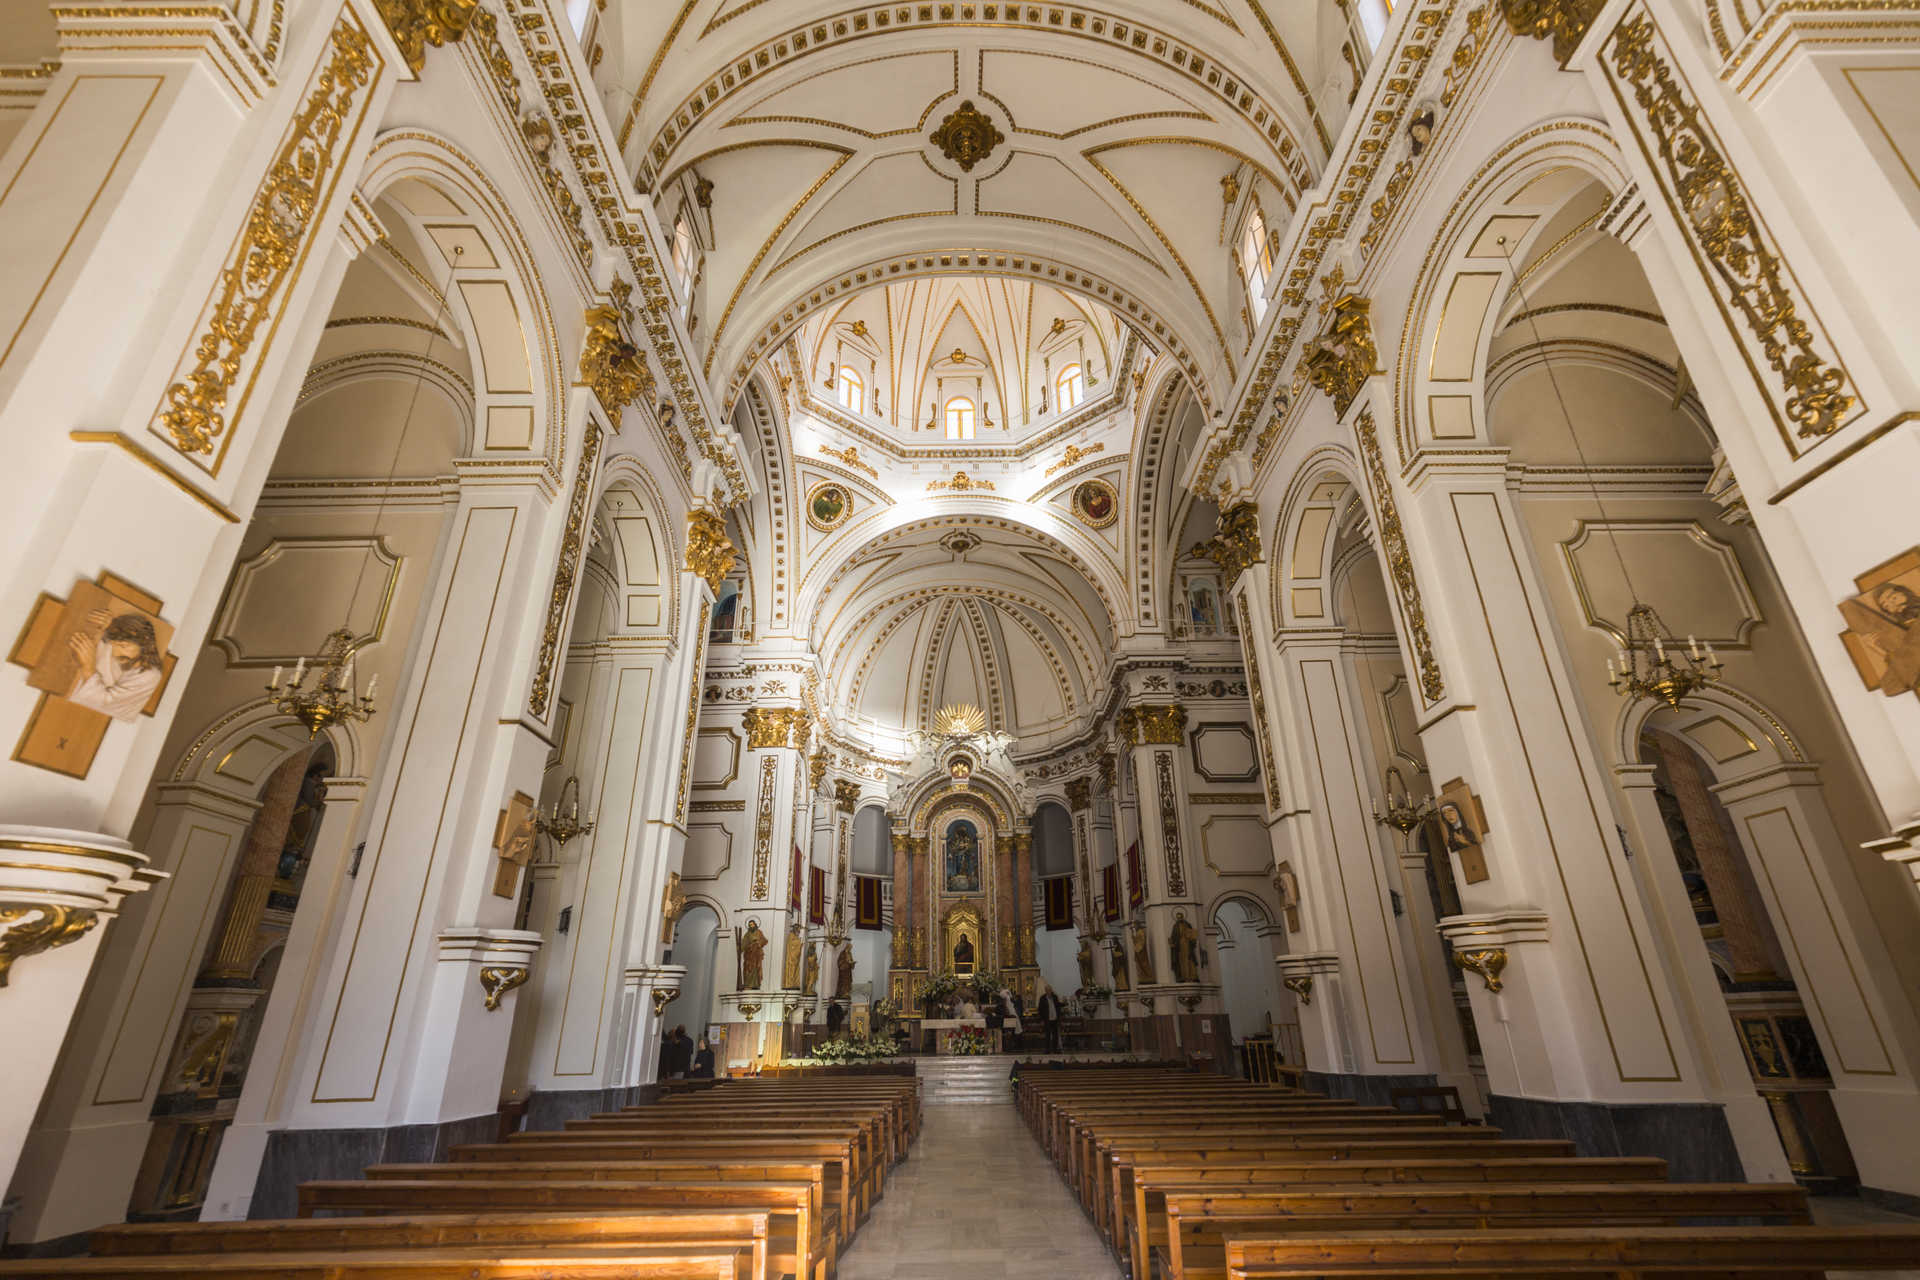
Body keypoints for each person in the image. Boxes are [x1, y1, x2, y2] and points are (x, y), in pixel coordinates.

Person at [1037, 982, 1063, 1054]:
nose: (1049, 991)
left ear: (1051, 990)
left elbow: (1058, 1005)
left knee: (1055, 1035)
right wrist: (1041, 1020)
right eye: (1048, 990)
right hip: (1047, 1019)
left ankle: (1055, 1049)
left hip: (1055, 1018)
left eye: (1050, 990)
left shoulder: (1055, 997)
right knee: (1047, 1035)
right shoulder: (1042, 998)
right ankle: (1047, 1049)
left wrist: (1064, 1004)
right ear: (1045, 991)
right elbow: (1040, 1009)